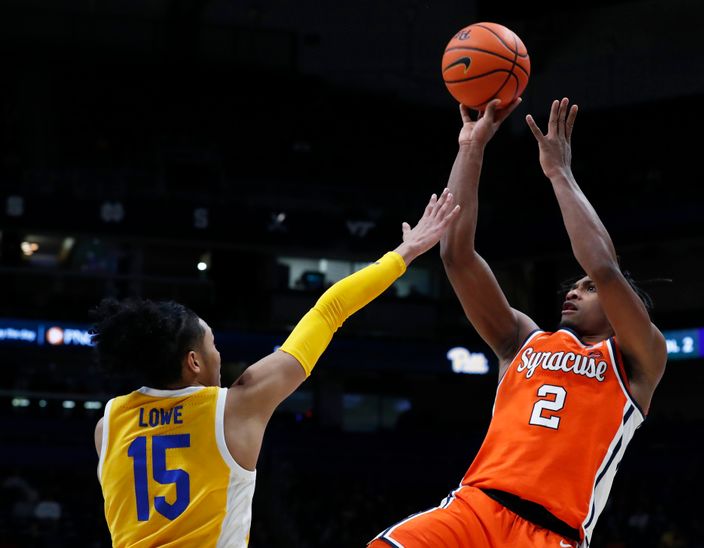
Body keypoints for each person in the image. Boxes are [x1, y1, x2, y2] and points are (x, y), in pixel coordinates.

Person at [369, 97, 667, 548]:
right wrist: (471, 146)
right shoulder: (523, 341)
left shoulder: (638, 361)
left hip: (550, 533)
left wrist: (559, 174)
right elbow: (457, 256)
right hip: (474, 509)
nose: (573, 291)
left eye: (586, 290)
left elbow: (604, 267)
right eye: (574, 285)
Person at [93, 191, 460, 547]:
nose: (219, 355)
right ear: (194, 362)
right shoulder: (234, 408)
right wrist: (404, 253)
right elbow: (329, 310)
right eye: (213, 345)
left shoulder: (107, 424)